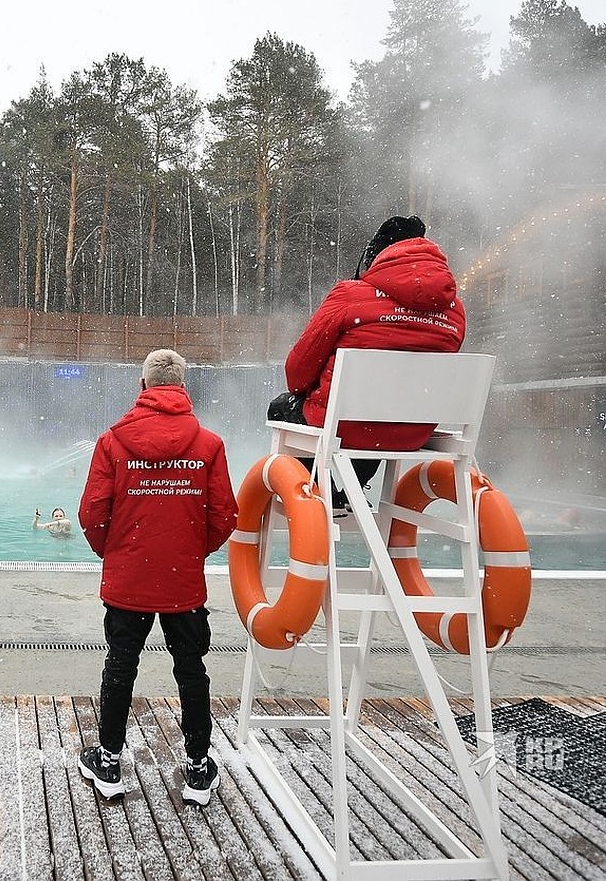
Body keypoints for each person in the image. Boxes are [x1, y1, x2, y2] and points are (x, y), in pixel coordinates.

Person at [77, 348, 237, 806]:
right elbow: (224, 515)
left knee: (121, 665)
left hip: (130, 579)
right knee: (191, 669)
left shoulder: (113, 442)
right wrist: (188, 552)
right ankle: (198, 769)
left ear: (143, 387)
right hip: (182, 582)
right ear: (183, 389)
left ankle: (108, 761)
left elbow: (92, 513)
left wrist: (118, 553)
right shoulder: (209, 445)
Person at [268, 215, 465, 512]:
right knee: (380, 413)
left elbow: (297, 372)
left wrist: (307, 390)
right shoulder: (454, 311)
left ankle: (322, 493)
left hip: (346, 426)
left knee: (283, 406)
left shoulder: (350, 294)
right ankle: (354, 491)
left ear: (378, 254)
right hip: (412, 431)